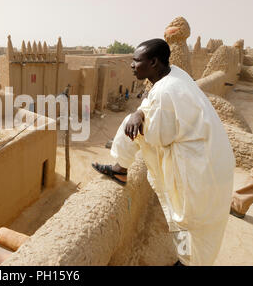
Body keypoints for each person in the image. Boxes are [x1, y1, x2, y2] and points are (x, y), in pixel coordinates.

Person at [92, 39, 235, 266]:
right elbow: (152, 104)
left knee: (187, 221)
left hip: (198, 171)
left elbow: (158, 137)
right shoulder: (174, 74)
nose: (131, 65)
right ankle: (187, 260)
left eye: (136, 61)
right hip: (211, 161)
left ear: (154, 62)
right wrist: (139, 112)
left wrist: (137, 116)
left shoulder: (166, 92)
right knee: (194, 224)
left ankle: (188, 263)